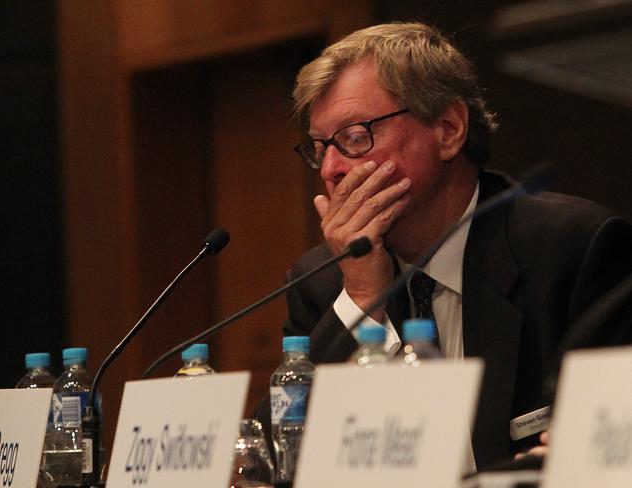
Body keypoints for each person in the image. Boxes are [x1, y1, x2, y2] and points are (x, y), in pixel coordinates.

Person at [259, 21, 632, 471]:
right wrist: (361, 302)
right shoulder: (322, 283)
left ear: (449, 129)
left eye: (356, 138)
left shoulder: (570, 249)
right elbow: (272, 458)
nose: (331, 169)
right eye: (321, 148)